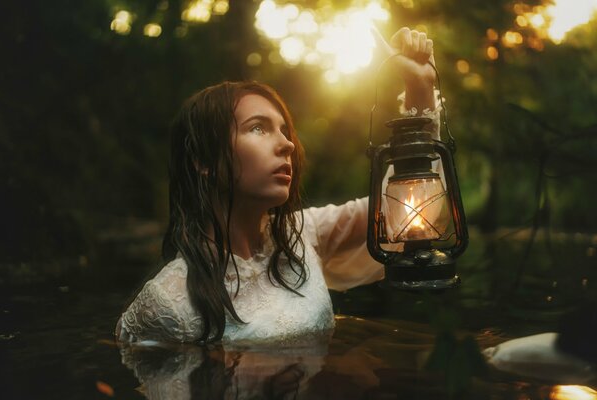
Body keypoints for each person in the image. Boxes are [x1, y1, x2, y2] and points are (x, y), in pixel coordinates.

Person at [115, 27, 441, 345]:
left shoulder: (301, 235)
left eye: (284, 131)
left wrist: (419, 86)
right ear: (204, 161)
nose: (286, 145)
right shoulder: (168, 301)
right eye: (258, 128)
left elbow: (404, 212)